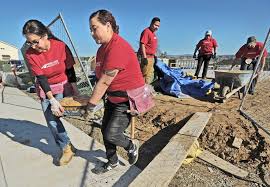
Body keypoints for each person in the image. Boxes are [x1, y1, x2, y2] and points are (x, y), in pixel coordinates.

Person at [88, 9, 145, 174]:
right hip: (112, 98)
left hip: (127, 100)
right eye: (90, 30)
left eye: (94, 28)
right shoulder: (101, 50)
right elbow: (100, 78)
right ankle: (112, 161)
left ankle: (131, 145)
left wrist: (90, 106)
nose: (92, 33)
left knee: (112, 134)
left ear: (107, 25)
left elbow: (105, 81)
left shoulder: (117, 47)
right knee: (105, 132)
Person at [22, 20, 79, 166]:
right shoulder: (30, 54)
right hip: (46, 87)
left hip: (63, 83)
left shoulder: (60, 46)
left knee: (68, 112)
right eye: (30, 43)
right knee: (52, 121)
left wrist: (75, 89)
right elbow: (41, 78)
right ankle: (66, 148)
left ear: (45, 35)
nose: (33, 46)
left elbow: (69, 69)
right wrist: (52, 100)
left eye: (35, 42)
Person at [138, 17, 160, 84]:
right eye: (155, 25)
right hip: (146, 57)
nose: (157, 27)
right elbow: (142, 44)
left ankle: (146, 90)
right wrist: (144, 57)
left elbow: (152, 46)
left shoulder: (153, 34)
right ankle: (140, 91)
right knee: (143, 74)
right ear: (151, 23)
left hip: (151, 57)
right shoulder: (146, 31)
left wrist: (154, 56)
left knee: (149, 75)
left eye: (158, 26)